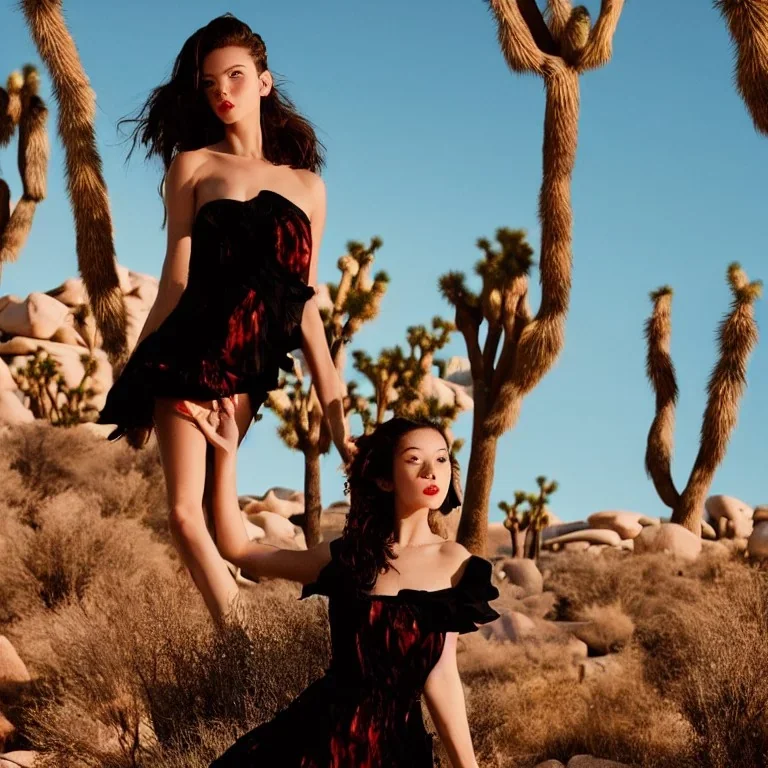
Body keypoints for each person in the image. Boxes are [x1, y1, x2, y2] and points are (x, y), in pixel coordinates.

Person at [97, 14, 353, 622]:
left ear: (264, 83)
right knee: (187, 517)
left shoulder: (307, 187)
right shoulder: (191, 167)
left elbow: (304, 303)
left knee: (225, 518)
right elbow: (176, 280)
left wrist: (339, 417)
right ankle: (238, 645)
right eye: (210, 83)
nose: (223, 92)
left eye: (236, 77)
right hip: (186, 350)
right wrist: (136, 374)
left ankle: (296, 610)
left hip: (249, 362)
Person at [183, 398, 499, 768]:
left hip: (396, 751)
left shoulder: (456, 563)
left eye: (442, 458)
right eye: (415, 459)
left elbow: (442, 674)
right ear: (384, 479)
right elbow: (236, 548)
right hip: (322, 741)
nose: (432, 471)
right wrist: (226, 455)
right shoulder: (348, 557)